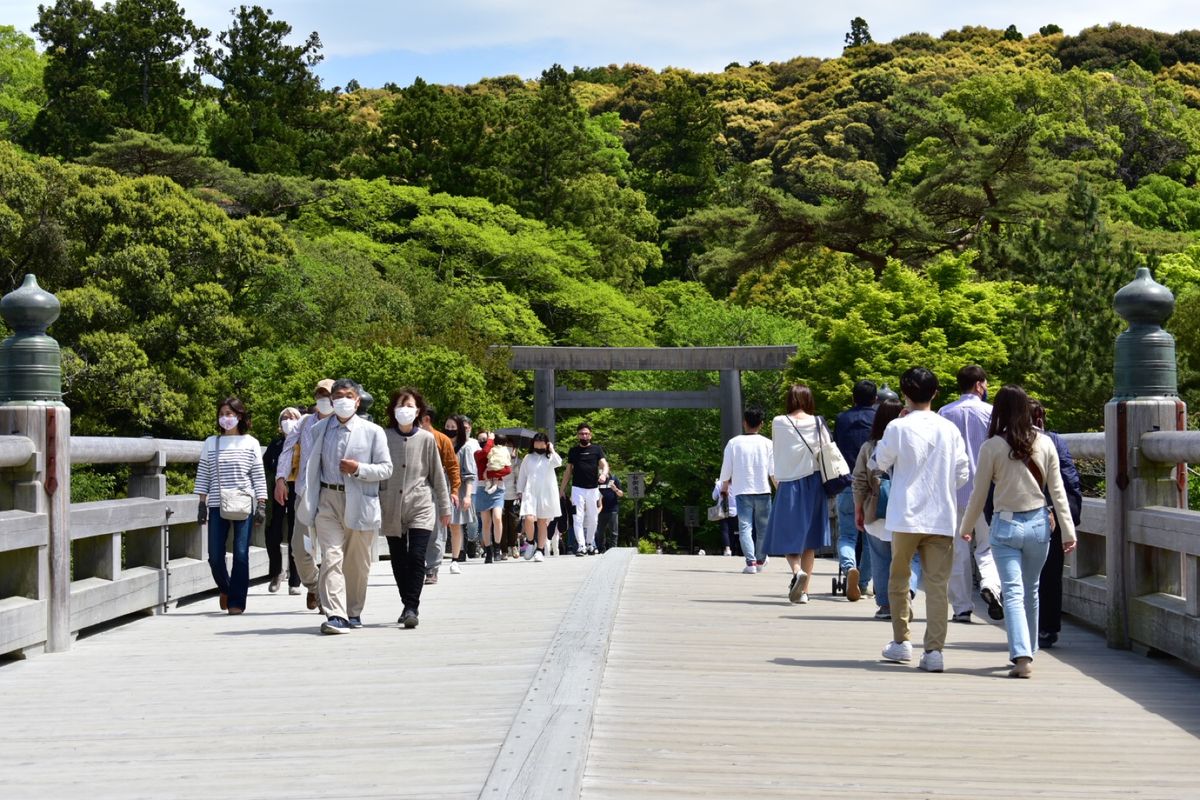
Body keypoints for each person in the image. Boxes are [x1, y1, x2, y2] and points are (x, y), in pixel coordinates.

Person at [958, 385, 1078, 678]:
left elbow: (979, 494)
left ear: (998, 411)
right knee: (1031, 590)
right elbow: (1058, 492)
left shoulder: (992, 447)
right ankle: (1030, 648)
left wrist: (966, 526)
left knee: (1012, 591)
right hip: (1039, 524)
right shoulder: (1046, 443)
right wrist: (1067, 531)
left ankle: (1022, 655)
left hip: (1006, 525)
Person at [873, 367, 969, 672]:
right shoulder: (949, 429)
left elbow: (879, 462)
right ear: (935, 394)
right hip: (941, 516)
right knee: (938, 585)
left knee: (899, 578)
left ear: (904, 394)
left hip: (905, 515)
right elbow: (963, 473)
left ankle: (902, 641)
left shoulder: (898, 427)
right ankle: (934, 651)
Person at [296, 379, 393, 635]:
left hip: (359, 500)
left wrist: (358, 469)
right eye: (338, 396)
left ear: (357, 401)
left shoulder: (373, 431)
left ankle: (353, 611)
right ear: (331, 400)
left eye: (348, 396)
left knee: (357, 564)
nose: (343, 400)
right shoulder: (319, 429)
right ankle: (336, 615)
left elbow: (386, 469)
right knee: (331, 557)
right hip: (327, 500)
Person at [380, 388, 452, 629]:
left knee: (417, 555)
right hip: (390, 505)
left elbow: (437, 475)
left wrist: (445, 507)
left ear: (418, 410)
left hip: (421, 503)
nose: (405, 410)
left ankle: (412, 606)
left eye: (409, 405)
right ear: (393, 410)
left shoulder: (427, 439)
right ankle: (406, 603)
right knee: (399, 558)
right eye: (400, 405)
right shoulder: (383, 437)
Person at [939, 364, 1003, 623]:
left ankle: (962, 608)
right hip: (987, 491)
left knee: (957, 550)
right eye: (985, 384)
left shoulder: (944, 413)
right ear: (978, 385)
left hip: (953, 491)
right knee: (988, 545)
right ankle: (990, 584)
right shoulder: (991, 413)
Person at [195, 397, 268, 615]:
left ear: (239, 416)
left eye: (229, 413)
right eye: (222, 414)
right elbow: (203, 474)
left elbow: (258, 475)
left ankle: (237, 602)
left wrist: (261, 504)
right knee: (215, 556)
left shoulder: (251, 443)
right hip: (217, 504)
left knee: (241, 553)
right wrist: (201, 503)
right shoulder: (211, 442)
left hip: (243, 503)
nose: (225, 418)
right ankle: (225, 588)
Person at [762, 385, 830, 603]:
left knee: (786, 535)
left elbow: (778, 450)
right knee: (810, 539)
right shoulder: (818, 422)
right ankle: (804, 592)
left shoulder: (778, 421)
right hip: (815, 483)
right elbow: (827, 449)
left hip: (789, 483)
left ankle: (797, 571)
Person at [274, 378, 335, 612]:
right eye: (319, 395)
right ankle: (314, 584)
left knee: (332, 550)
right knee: (299, 549)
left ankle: (328, 597)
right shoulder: (305, 422)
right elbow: (288, 448)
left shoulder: (342, 422)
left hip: (333, 494)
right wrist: (281, 479)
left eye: (327, 395)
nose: (323, 399)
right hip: (305, 493)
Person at [1029, 399, 1082, 649]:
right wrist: (1072, 516)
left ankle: (1025, 628)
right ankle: (1048, 628)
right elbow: (1069, 478)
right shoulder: (1054, 441)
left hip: (1015, 514)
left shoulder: (1005, 440)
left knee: (1021, 576)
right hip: (1052, 513)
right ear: (1041, 418)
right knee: (1051, 572)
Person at [852, 398, 904, 620]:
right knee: (907, 558)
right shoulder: (907, 445)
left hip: (876, 508)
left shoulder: (869, 447)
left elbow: (859, 479)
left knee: (880, 558)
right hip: (904, 511)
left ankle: (885, 605)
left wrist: (858, 508)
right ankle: (905, 596)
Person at [719, 405, 775, 575]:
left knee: (745, 528)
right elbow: (773, 472)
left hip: (742, 491)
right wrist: (779, 488)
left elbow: (726, 469)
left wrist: (724, 487)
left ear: (744, 423)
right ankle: (760, 560)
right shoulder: (768, 444)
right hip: (763, 490)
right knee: (763, 529)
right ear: (761, 424)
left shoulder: (734, 443)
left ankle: (750, 563)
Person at [834, 381, 876, 600]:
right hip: (871, 486)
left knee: (847, 535)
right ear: (875, 399)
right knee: (870, 540)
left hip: (846, 482)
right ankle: (863, 583)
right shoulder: (878, 419)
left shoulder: (842, 419)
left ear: (853, 398)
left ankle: (849, 566)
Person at [262, 407, 302, 594]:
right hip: (276, 492)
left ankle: (295, 579)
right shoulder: (275, 444)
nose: (288, 420)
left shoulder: (304, 442)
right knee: (272, 534)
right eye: (285, 418)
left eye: (293, 417)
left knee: (296, 533)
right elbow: (265, 467)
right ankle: (276, 572)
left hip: (298, 491)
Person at [420, 406, 461, 585]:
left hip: (437, 486)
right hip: (414, 486)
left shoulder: (441, 439)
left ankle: (432, 568)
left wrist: (454, 491)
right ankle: (415, 566)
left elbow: (453, 467)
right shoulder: (407, 437)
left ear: (426, 419)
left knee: (436, 529)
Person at [560, 423, 609, 556]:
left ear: (590, 435)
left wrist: (604, 474)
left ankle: (590, 543)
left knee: (593, 519)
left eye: (586, 433)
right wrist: (562, 489)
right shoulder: (573, 451)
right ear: (577, 435)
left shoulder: (597, 449)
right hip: (577, 489)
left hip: (593, 489)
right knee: (577, 517)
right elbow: (568, 472)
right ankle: (581, 546)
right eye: (581, 434)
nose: (584, 436)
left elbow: (605, 465)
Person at [516, 432, 561, 562]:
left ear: (546, 445)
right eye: (537, 444)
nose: (539, 447)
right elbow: (522, 475)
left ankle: (540, 550)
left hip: (546, 493)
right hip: (530, 491)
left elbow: (559, 462)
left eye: (542, 445)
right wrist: (519, 490)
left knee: (542, 522)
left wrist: (552, 449)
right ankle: (531, 542)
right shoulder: (528, 457)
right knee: (528, 518)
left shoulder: (550, 457)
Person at [444, 414, 478, 573]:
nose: (450, 430)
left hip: (457, 490)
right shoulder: (439, 444)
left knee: (455, 525)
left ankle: (455, 559)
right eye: (447, 427)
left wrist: (467, 496)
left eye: (453, 427)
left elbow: (470, 475)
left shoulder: (465, 448)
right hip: (439, 489)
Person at [474, 430, 508, 563]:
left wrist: (492, 474)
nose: (483, 442)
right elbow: (484, 453)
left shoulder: (498, 452)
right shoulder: (477, 453)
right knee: (486, 522)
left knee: (497, 518)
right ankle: (488, 550)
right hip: (482, 488)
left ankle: (497, 548)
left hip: (498, 488)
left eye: (485, 439)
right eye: (480, 440)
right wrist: (490, 440)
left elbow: (507, 469)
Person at [712, 479, 740, 558]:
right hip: (735, 510)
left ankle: (727, 549)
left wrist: (716, 485)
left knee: (724, 530)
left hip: (723, 510)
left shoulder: (720, 483)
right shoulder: (738, 482)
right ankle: (732, 549)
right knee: (732, 531)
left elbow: (714, 497)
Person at [597, 475, 624, 551]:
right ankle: (601, 549)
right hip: (599, 510)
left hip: (613, 510)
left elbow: (621, 494)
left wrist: (615, 489)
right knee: (600, 532)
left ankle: (613, 550)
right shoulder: (597, 480)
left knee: (614, 532)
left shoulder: (614, 478)